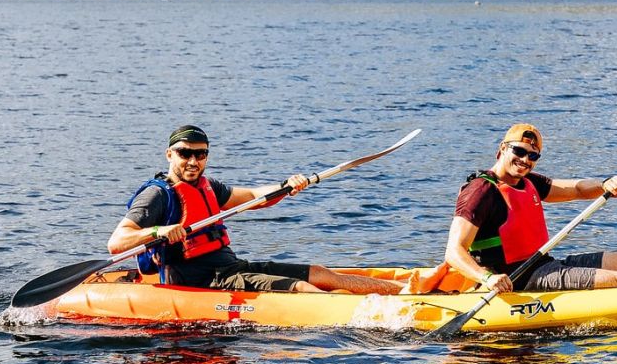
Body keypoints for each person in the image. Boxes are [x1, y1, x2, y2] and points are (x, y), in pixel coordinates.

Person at [111, 125, 402, 294]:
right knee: (301, 289)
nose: (193, 161)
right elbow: (117, 242)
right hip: (201, 282)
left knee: (321, 273)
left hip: (231, 268)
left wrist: (286, 186)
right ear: (169, 154)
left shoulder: (208, 186)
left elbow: (253, 196)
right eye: (185, 153)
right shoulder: (157, 196)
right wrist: (159, 230)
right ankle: (375, 312)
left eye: (200, 154)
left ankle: (407, 292)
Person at [443, 123, 617, 295]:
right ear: (501, 149)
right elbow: (453, 252)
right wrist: (487, 278)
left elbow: (575, 189)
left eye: (533, 156)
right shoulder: (480, 191)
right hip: (518, 280)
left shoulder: (528, 182)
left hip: (545, 265)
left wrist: (604, 184)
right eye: (519, 151)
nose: (525, 160)